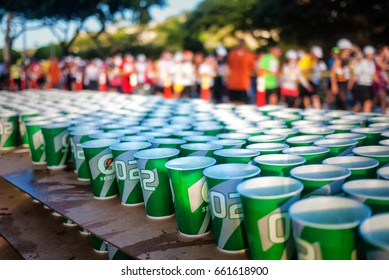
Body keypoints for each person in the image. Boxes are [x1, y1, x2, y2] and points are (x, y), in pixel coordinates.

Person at [348, 46, 377, 113]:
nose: (373, 55)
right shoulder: (361, 63)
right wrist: (350, 86)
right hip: (361, 85)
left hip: (369, 86)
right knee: (368, 102)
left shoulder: (372, 63)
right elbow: (355, 75)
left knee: (361, 104)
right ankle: (366, 119)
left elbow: (373, 76)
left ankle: (351, 114)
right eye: (372, 54)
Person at [227, 38, 255, 104]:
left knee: (232, 102)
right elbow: (251, 68)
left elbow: (230, 66)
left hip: (233, 81)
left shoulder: (232, 54)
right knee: (242, 104)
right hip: (243, 82)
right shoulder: (249, 55)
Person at [330, 38, 355, 110]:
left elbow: (351, 73)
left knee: (344, 103)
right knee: (341, 103)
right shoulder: (338, 60)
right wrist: (334, 85)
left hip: (345, 84)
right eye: (348, 49)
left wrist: (350, 83)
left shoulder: (347, 60)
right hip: (339, 84)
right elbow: (333, 73)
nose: (349, 51)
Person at [374, 45, 389, 114]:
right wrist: (387, 57)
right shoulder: (377, 58)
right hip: (378, 82)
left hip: (383, 82)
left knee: (377, 100)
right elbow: (383, 66)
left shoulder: (384, 60)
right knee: (382, 99)